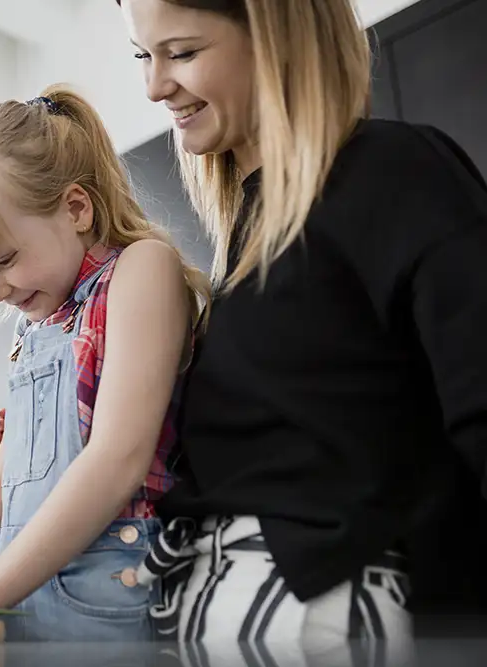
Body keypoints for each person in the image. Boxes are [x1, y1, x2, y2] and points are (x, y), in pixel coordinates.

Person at [114, 0, 487, 657]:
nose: (154, 86)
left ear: (277, 36)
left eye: (183, 52)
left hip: (319, 616)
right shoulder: (238, 250)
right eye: (145, 56)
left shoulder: (395, 172)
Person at [0, 85, 212, 642]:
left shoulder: (140, 270)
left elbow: (118, 458)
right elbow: (5, 476)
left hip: (109, 592)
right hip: (22, 591)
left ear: (76, 208)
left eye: (3, 259)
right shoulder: (37, 328)